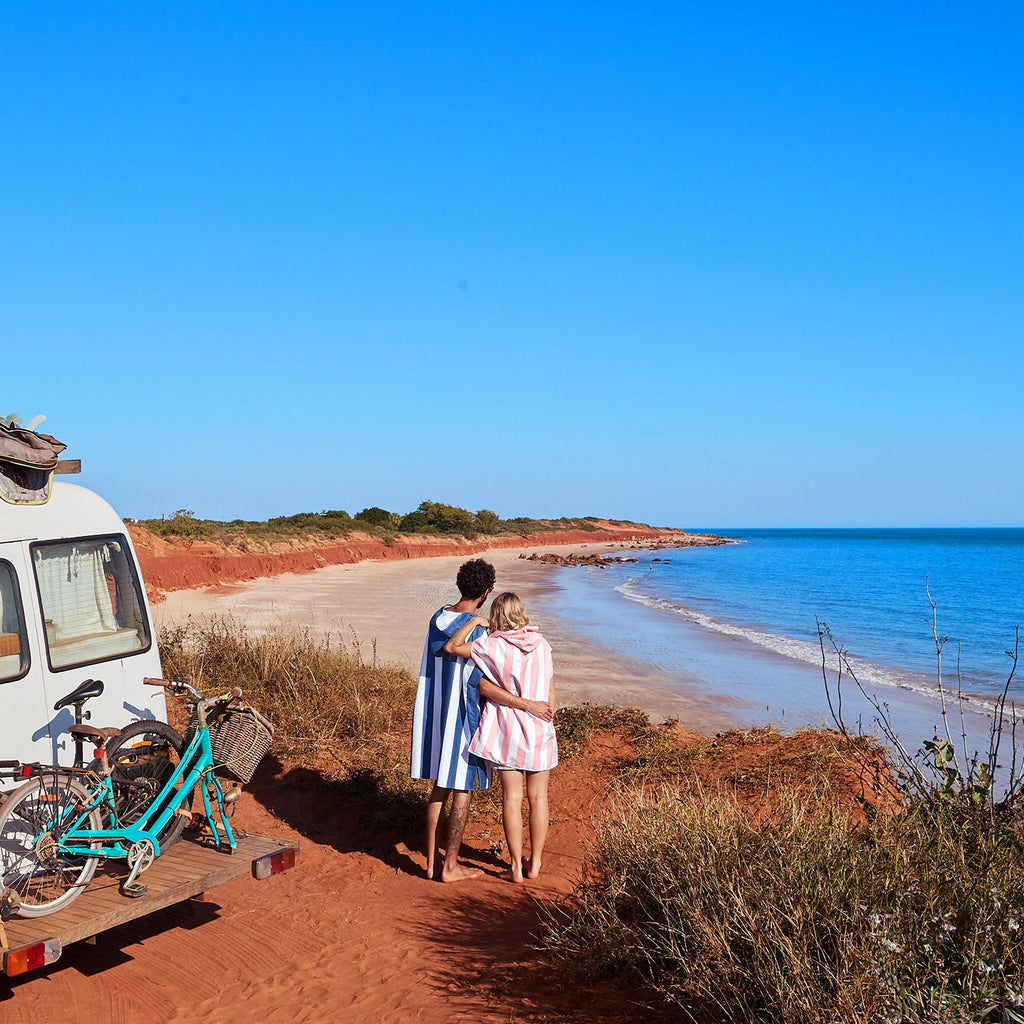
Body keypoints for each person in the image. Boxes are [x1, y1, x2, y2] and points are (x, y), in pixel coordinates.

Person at [444, 592, 557, 883]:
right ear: (520, 612)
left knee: (512, 798)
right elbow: (549, 687)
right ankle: (536, 864)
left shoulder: (491, 645)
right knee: (539, 797)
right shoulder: (542, 645)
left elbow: (452, 647)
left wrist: (475, 622)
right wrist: (547, 716)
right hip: (539, 726)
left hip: (507, 729)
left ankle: (516, 869)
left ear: (496, 616)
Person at [410, 558, 495, 882]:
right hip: (463, 715)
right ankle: (450, 867)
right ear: (487, 591)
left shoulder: (437, 617)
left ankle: (431, 862)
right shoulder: (480, 627)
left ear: (461, 585)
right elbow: (481, 677)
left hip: (435, 713)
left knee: (439, 788)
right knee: (462, 790)